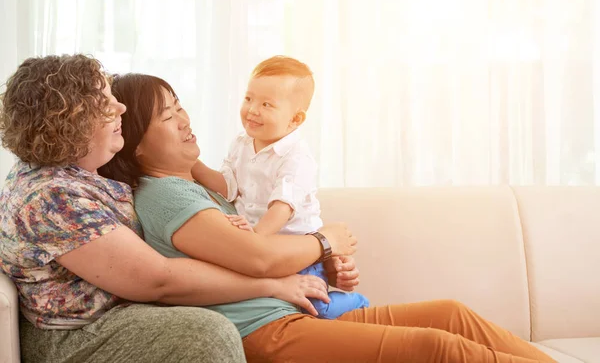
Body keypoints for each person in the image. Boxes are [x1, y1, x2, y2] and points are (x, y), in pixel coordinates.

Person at [101, 71, 557, 363]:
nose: (184, 119)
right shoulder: (165, 195)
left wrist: (316, 260)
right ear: (134, 142)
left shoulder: (200, 187)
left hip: (291, 314)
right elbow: (257, 258)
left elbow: (255, 250)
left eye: (180, 105)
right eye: (167, 115)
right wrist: (326, 241)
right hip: (264, 332)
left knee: (450, 315)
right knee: (434, 348)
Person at [0, 54, 356, 363]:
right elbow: (160, 279)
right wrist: (279, 279)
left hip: (123, 313)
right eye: (105, 106)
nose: (120, 108)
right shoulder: (52, 197)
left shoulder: (75, 175)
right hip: (76, 335)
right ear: (70, 122)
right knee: (205, 332)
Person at [191, 55, 369, 319]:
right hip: (259, 248)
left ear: (295, 119)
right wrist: (194, 165)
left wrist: (255, 237)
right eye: (249, 98)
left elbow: (281, 207)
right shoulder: (241, 142)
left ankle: (356, 303)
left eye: (267, 104)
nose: (252, 110)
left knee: (313, 306)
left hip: (297, 252)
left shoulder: (296, 157)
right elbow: (228, 187)